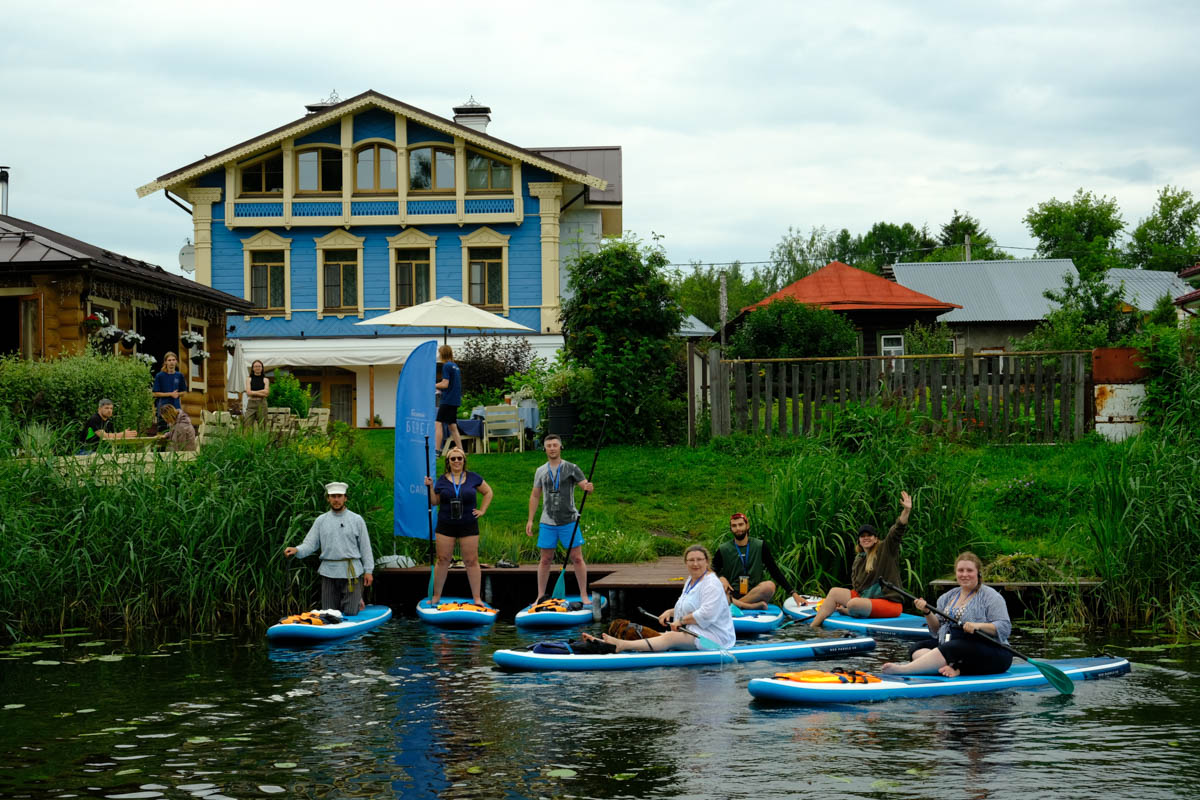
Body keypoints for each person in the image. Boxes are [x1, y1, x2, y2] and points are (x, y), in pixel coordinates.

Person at [881, 552, 1013, 677]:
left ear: (978, 573)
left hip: (993, 651)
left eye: (969, 570)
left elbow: (1004, 627)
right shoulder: (947, 597)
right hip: (954, 646)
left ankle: (906, 670)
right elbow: (936, 630)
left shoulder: (991, 596)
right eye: (960, 570)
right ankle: (950, 667)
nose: (964, 574)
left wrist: (977, 626)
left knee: (953, 647)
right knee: (917, 648)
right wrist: (927, 612)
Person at [589, 545, 735, 652]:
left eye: (699, 560)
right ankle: (604, 643)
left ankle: (621, 645)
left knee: (669, 638)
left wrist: (681, 621)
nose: (695, 564)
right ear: (686, 563)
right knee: (660, 635)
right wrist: (670, 612)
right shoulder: (691, 580)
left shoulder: (712, 583)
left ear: (707, 562)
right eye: (691, 560)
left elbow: (707, 613)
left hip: (714, 639)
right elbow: (690, 605)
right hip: (693, 631)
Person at [810, 491, 913, 628]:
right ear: (859, 540)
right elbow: (857, 589)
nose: (866, 538)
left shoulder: (886, 549)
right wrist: (841, 599)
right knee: (834, 592)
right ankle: (814, 627)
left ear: (876, 538)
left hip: (890, 604)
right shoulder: (859, 559)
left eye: (869, 535)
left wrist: (906, 510)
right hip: (866, 601)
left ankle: (848, 611)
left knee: (854, 604)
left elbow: (897, 530)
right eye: (862, 536)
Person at [283, 481, 375, 617]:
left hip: (352, 572)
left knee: (350, 612)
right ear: (328, 499)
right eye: (333, 496)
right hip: (328, 572)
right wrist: (297, 550)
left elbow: (365, 547)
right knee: (329, 614)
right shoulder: (321, 520)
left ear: (345, 498)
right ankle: (355, 602)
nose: (336, 500)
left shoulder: (356, 520)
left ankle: (356, 600)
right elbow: (310, 543)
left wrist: (368, 571)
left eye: (339, 496)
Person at [525, 433, 594, 604]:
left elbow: (584, 486)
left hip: (569, 520)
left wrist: (588, 488)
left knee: (577, 558)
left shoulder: (572, 468)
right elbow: (535, 496)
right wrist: (530, 519)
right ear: (545, 449)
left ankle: (584, 594)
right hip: (547, 521)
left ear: (560, 447)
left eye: (555, 445)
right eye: (549, 446)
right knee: (545, 559)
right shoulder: (540, 471)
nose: (552, 448)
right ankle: (540, 595)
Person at [422, 446, 493, 606]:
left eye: (459, 458)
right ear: (448, 461)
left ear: (464, 461)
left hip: (468, 524)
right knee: (443, 560)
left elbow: (488, 492)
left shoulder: (473, 478)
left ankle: (477, 598)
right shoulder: (442, 479)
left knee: (471, 560)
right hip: (446, 525)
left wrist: (482, 510)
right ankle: (436, 596)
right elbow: (434, 501)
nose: (456, 461)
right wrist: (430, 488)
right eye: (453, 458)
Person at [713, 513, 805, 610]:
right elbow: (709, 572)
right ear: (731, 528)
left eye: (740, 524)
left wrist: (793, 593)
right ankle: (748, 606)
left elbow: (774, 571)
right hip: (731, 592)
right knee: (718, 589)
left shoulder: (759, 546)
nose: (738, 528)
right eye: (734, 526)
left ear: (747, 525)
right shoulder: (723, 549)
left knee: (769, 586)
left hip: (753, 593)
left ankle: (735, 606)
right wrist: (720, 578)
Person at [434, 344, 463, 454]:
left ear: (442, 354)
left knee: (438, 423)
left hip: (447, 400)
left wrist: (433, 386)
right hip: (455, 400)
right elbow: (451, 385)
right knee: (452, 426)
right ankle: (461, 450)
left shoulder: (446, 366)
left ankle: (437, 450)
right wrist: (439, 386)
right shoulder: (455, 366)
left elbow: (445, 384)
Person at [152, 351, 188, 432]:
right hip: (163, 408)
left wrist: (177, 394)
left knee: (177, 432)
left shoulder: (179, 376)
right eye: (169, 360)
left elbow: (184, 392)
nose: (171, 362)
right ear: (165, 362)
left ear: (176, 361)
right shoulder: (160, 376)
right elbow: (155, 393)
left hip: (176, 408)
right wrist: (170, 394)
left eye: (173, 360)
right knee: (163, 432)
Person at [243, 359, 269, 426]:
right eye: (256, 366)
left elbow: (266, 393)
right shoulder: (249, 379)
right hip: (251, 404)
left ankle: (262, 437)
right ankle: (248, 436)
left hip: (262, 404)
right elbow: (248, 393)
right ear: (253, 368)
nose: (257, 368)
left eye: (259, 366)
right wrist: (262, 392)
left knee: (262, 425)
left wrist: (253, 392)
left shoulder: (265, 380)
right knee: (247, 423)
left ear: (262, 368)